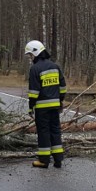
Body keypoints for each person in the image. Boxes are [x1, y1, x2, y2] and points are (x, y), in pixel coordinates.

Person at [25, 40, 67, 168]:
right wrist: (60, 101)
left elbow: (33, 92)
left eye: (30, 55)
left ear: (35, 53)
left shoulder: (35, 69)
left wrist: (31, 107)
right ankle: (58, 159)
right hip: (55, 106)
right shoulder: (55, 66)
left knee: (43, 132)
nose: (30, 58)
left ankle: (43, 160)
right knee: (55, 130)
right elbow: (63, 87)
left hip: (42, 108)